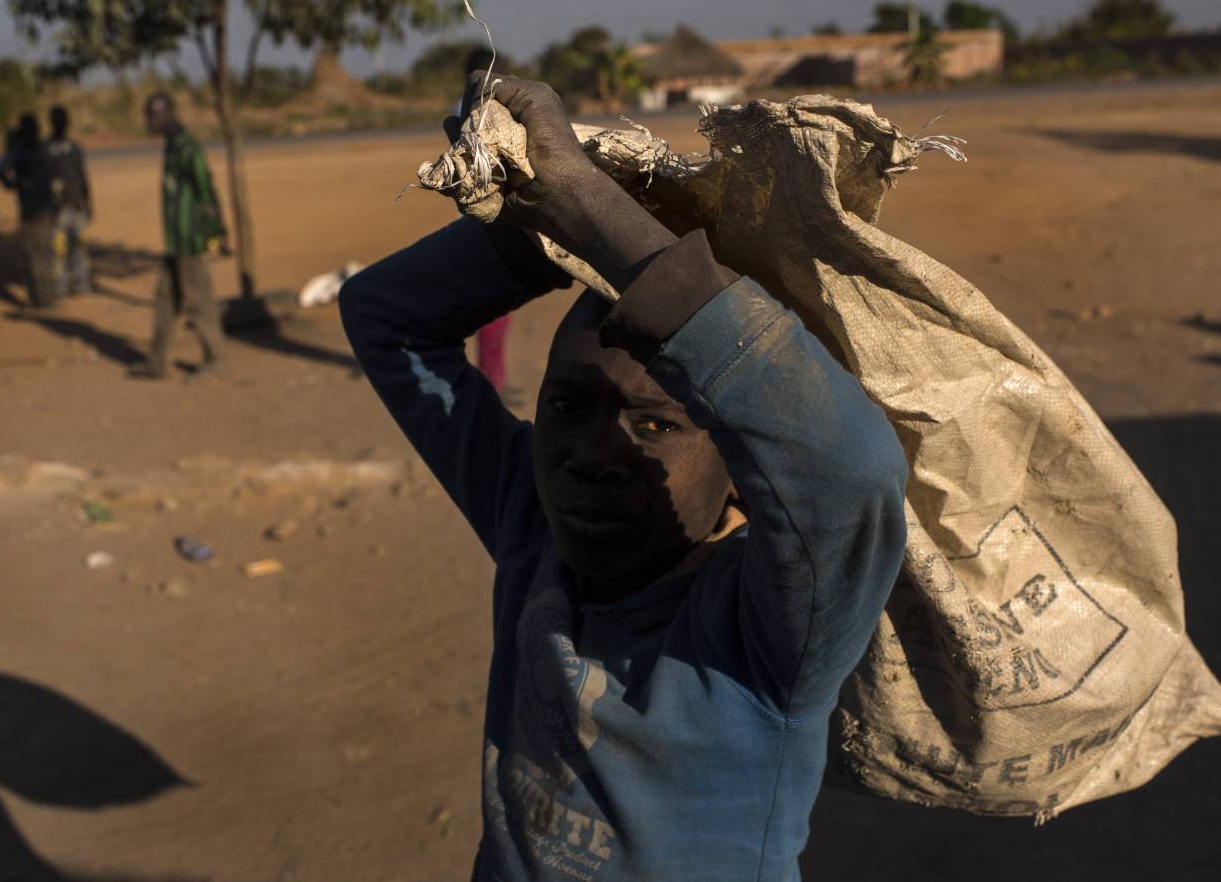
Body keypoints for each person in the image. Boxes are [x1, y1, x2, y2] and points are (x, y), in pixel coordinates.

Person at [339, 74, 908, 881]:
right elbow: (383, 317)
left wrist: (590, 210)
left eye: (655, 424)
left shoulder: (770, 628)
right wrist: (536, 225)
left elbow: (850, 473)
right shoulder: (533, 524)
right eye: (568, 403)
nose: (593, 451)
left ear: (744, 472)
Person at [130, 92, 227, 379]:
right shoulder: (171, 146)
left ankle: (215, 358)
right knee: (164, 299)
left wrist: (216, 230)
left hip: (190, 240)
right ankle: (158, 361)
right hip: (174, 241)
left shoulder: (188, 147)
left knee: (198, 301)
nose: (148, 122)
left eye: (152, 115)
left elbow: (205, 188)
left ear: (166, 114)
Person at [463, 46, 515, 393]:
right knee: (496, 310)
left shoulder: (467, 107)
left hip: (482, 218)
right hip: (493, 221)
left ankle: (491, 378)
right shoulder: (480, 110)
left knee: (497, 309)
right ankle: (490, 382)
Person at [0, 114, 57, 309]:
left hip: (30, 209)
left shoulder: (20, 152)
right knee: (45, 254)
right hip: (46, 207)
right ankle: (47, 299)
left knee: (32, 255)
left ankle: (38, 300)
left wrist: (11, 184)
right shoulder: (44, 149)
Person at [45, 105, 93, 296]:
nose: (61, 124)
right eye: (57, 120)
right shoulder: (46, 149)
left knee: (80, 247)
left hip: (76, 206)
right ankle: (60, 286)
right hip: (56, 210)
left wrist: (88, 204)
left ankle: (81, 284)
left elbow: (83, 177)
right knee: (58, 250)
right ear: (51, 123)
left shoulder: (75, 149)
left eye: (63, 120)